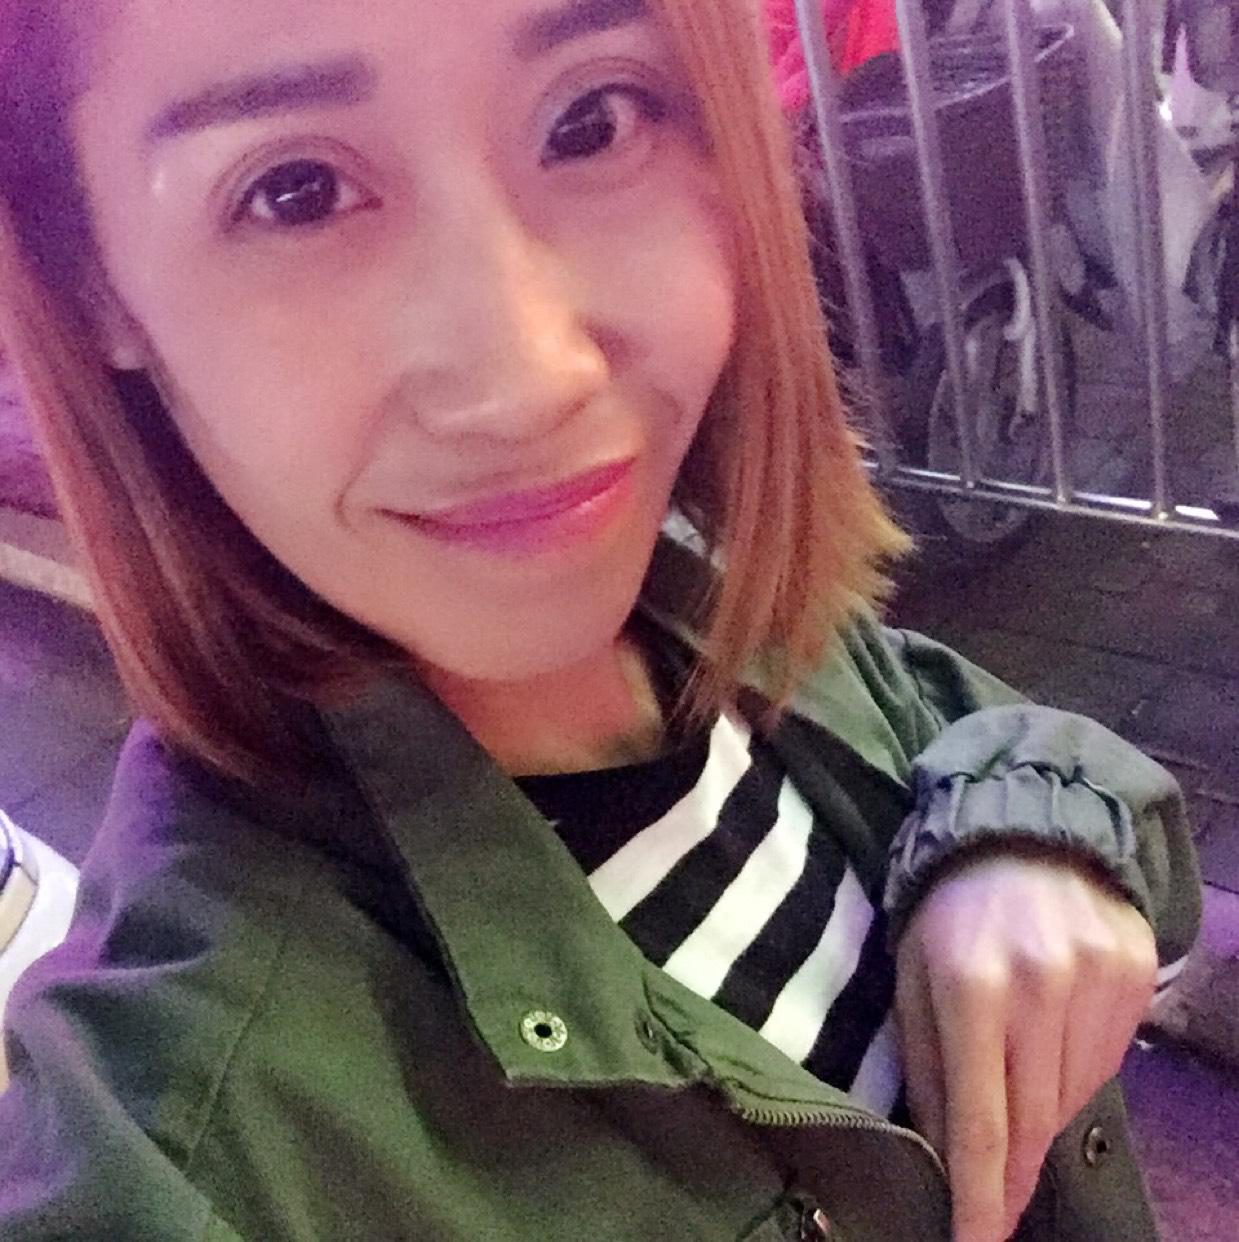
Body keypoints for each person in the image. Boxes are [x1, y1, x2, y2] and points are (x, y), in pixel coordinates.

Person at [0, 1, 1199, 1239]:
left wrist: (1024, 841)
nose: (533, 380)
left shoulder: (705, 604)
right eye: (295, 193)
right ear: (91, 282)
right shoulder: (194, 1141)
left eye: (592, 121)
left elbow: (951, 721)